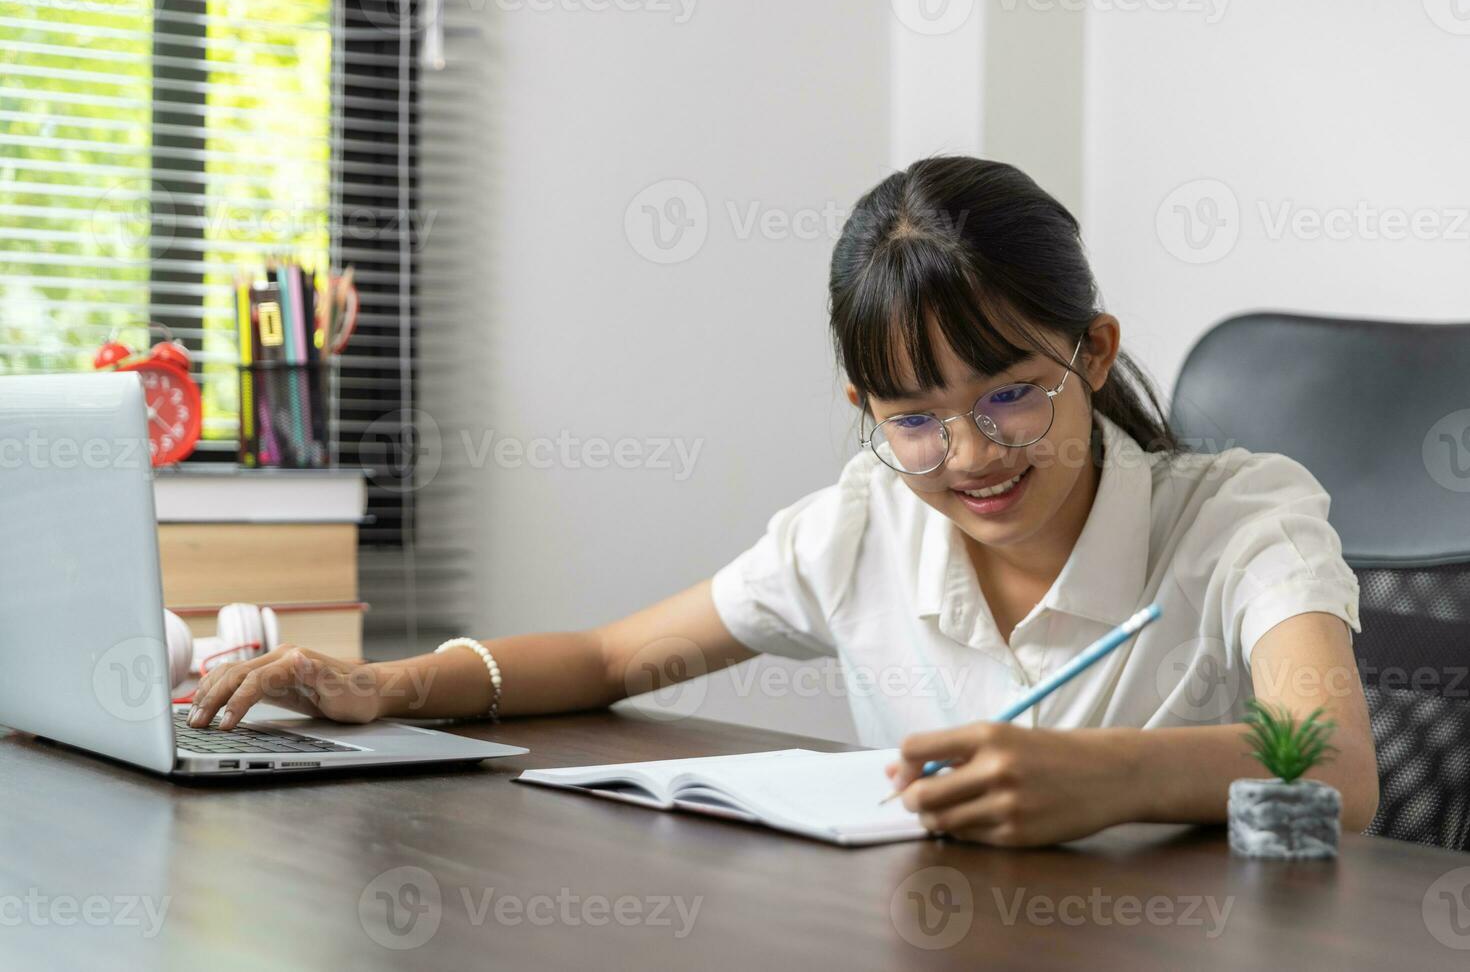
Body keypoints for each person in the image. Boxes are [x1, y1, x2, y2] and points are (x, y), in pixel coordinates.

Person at [187, 157, 1378, 846]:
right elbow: (611, 654)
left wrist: (1107, 776)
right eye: (913, 415)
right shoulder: (866, 522)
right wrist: (381, 684)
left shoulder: (1242, 517)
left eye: (1012, 391)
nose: (969, 452)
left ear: (1097, 350)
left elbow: (1334, 765)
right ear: (864, 404)